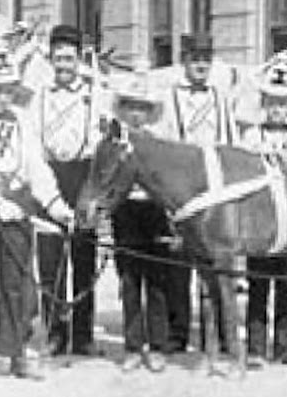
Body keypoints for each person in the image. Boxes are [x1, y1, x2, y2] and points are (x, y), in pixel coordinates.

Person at [0, 54, 76, 383]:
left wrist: (55, 204)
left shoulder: (22, 122)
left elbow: (37, 166)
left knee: (18, 281)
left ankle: (16, 353)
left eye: (8, 91)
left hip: (20, 204)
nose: (3, 98)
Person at [158, 33, 237, 353]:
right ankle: (178, 333)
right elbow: (166, 146)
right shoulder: (171, 98)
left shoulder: (220, 98)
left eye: (206, 59)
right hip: (183, 189)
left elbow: (230, 144)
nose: (200, 65)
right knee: (179, 263)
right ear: (184, 62)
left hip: (214, 189)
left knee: (214, 262)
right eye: (194, 59)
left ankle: (216, 333)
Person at [236, 69, 287, 367]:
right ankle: (256, 348)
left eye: (283, 103)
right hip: (261, 222)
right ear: (263, 103)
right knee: (257, 284)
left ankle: (285, 346)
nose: (277, 110)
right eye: (272, 102)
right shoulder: (250, 136)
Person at [30, 24, 101, 358]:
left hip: (82, 178)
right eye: (57, 59)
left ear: (78, 59)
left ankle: (83, 335)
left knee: (83, 260)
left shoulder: (93, 93)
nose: (63, 66)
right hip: (49, 178)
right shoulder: (39, 94)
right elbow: (32, 143)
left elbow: (101, 144)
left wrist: (90, 194)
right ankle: (55, 332)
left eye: (68, 59)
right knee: (49, 262)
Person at [106, 70, 174, 373]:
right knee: (130, 282)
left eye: (142, 108)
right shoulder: (113, 143)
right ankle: (133, 346)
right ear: (123, 110)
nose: (136, 114)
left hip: (154, 212)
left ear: (150, 113)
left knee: (157, 282)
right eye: (131, 107)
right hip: (126, 213)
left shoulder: (159, 144)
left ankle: (158, 345)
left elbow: (166, 183)